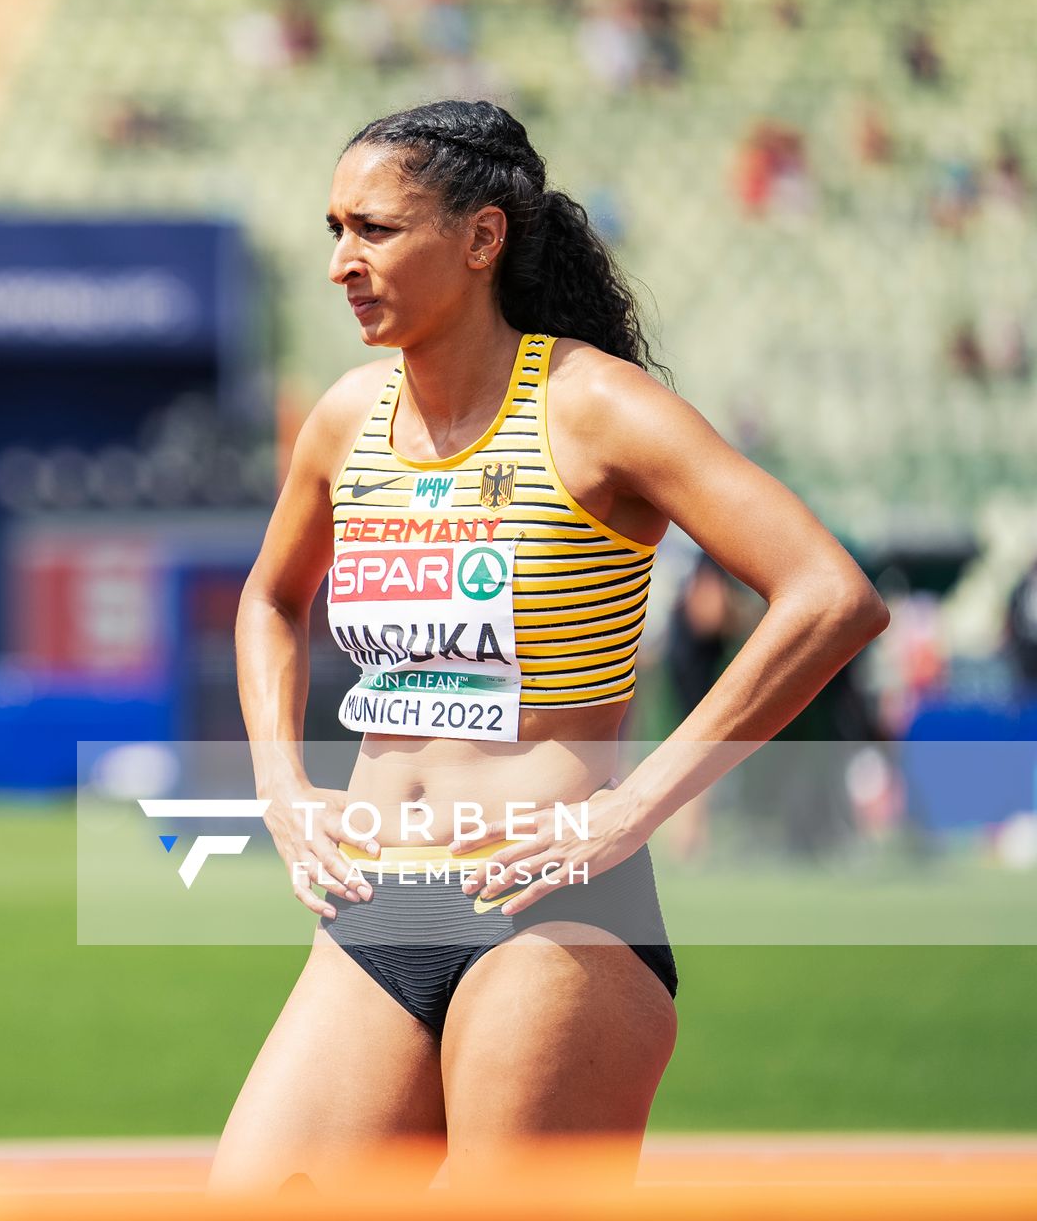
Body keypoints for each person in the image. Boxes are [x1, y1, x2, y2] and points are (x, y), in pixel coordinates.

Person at [212, 98, 888, 1194]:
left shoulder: (595, 408)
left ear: (483, 239)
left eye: (375, 229)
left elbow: (830, 593)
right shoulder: (343, 419)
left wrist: (635, 805)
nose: (342, 260)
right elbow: (269, 601)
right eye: (333, 228)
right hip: (380, 901)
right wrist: (281, 787)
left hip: (553, 908)